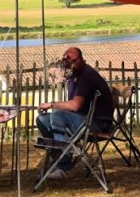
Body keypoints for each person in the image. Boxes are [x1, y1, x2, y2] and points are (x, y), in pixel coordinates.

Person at [36, 47, 115, 179]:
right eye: (66, 62)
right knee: (42, 119)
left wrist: (51, 104)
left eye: (73, 61)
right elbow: (72, 106)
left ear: (81, 60)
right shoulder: (73, 76)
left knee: (57, 114)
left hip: (98, 123)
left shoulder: (86, 76)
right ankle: (58, 156)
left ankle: (63, 165)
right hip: (84, 119)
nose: (69, 64)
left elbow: (75, 105)